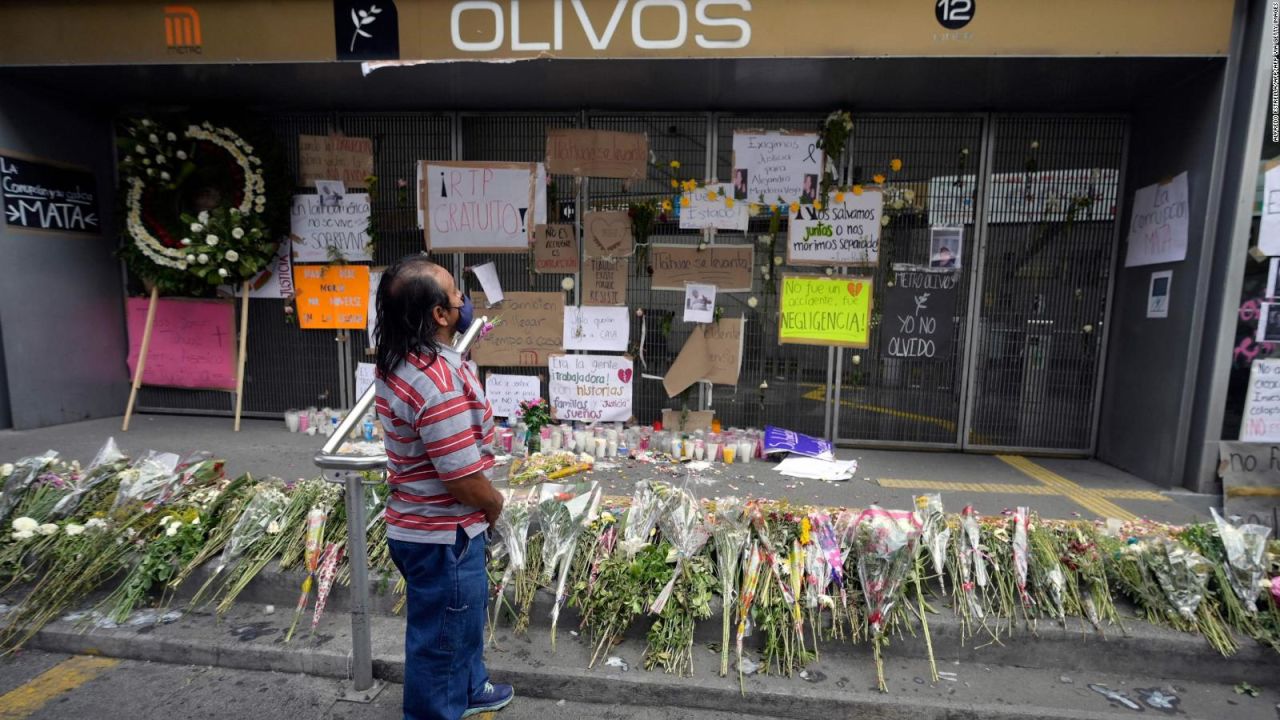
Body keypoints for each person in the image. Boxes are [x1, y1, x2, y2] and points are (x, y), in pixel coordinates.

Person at [373, 255, 513, 720]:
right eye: (456, 294)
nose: (463, 301)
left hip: (427, 527)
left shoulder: (403, 360)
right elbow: (461, 479)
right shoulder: (436, 383)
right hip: (442, 534)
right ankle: (437, 710)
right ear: (439, 314)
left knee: (459, 621)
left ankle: (471, 688)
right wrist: (494, 505)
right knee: (441, 638)